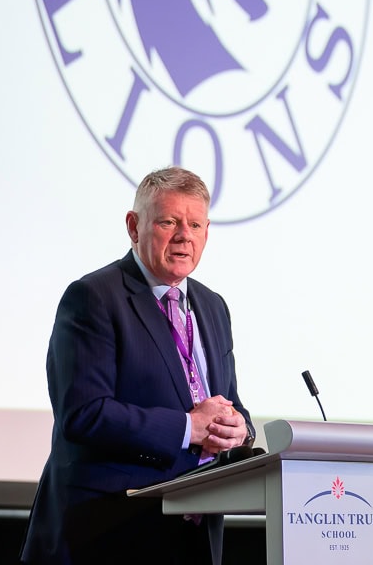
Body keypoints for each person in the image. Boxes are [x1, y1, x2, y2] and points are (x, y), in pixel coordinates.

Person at [21, 166, 253, 565]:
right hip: (109, 534)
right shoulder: (93, 297)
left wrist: (239, 428)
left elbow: (225, 402)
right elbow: (84, 414)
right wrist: (188, 427)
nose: (184, 236)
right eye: (169, 222)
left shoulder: (213, 306)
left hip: (193, 539)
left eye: (195, 224)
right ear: (134, 226)